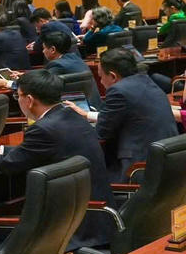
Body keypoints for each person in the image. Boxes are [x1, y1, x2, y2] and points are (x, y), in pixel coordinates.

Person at [0, 70, 112, 248]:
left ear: (30, 100)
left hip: (70, 225)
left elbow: (8, 166)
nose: (18, 100)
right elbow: (36, 151)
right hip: (94, 216)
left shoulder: (42, 129)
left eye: (18, 96)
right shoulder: (71, 115)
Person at [70, 48, 179, 178]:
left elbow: (102, 132)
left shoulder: (118, 91)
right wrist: (87, 114)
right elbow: (130, 116)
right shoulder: (146, 81)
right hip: (167, 162)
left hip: (138, 168)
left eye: (101, 77)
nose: (101, 82)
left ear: (113, 76)